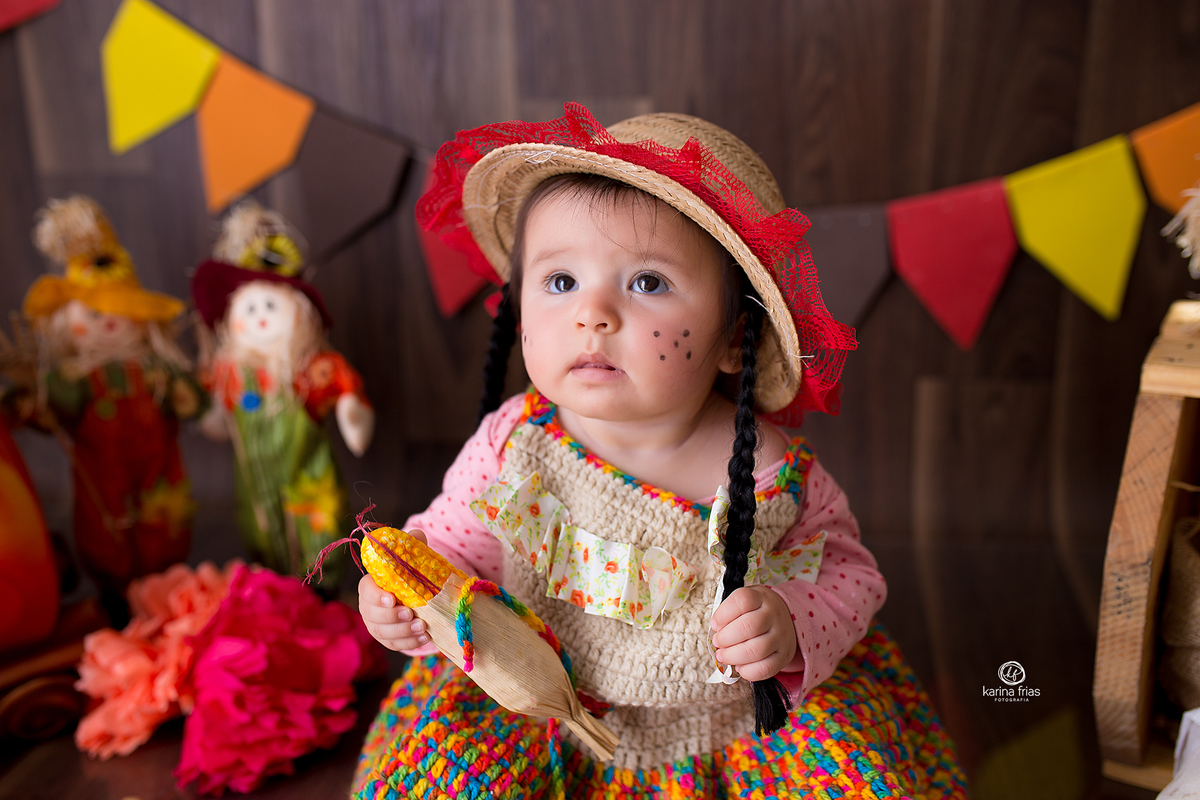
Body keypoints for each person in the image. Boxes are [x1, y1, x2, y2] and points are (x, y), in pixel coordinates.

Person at [354, 105, 966, 798]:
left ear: (736, 337)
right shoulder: (514, 446)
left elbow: (851, 579)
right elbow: (449, 549)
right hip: (537, 710)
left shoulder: (771, 476)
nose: (594, 313)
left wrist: (790, 623)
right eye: (561, 282)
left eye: (647, 283)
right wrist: (401, 600)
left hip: (734, 728)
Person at [16, 196, 204, 626]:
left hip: (158, 473)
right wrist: (41, 407)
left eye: (120, 310)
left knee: (163, 527)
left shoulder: (156, 368)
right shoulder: (77, 376)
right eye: (95, 313)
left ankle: (166, 594)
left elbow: (190, 400)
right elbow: (55, 410)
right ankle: (119, 601)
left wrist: (186, 398)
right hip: (105, 474)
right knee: (107, 531)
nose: (109, 322)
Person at [191, 199, 375, 590]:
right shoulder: (230, 373)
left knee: (318, 533)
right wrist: (214, 419)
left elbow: (345, 396)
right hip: (255, 484)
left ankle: (324, 592)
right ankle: (275, 589)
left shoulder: (309, 369)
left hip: (306, 478)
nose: (260, 316)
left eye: (271, 305)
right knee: (260, 532)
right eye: (251, 307)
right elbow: (221, 417)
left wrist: (352, 414)